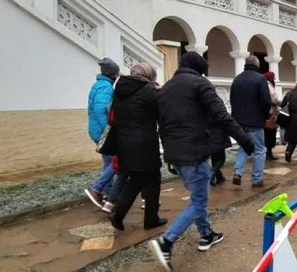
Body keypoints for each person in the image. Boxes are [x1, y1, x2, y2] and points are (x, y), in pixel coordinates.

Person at [149, 52, 254, 271]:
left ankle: (206, 234)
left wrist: (169, 155)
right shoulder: (200, 84)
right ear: (199, 66)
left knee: (199, 196)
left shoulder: (166, 88)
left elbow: (163, 124)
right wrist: (245, 140)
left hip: (177, 154)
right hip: (194, 153)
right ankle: (166, 241)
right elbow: (222, 116)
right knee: (198, 201)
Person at [108, 62, 167, 231]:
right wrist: (159, 90)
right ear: (149, 76)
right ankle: (151, 219)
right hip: (144, 144)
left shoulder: (119, 90)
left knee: (134, 180)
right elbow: (160, 109)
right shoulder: (148, 91)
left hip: (124, 143)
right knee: (153, 181)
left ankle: (118, 215)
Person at [230, 56, 272, 187]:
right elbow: (266, 101)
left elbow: (232, 100)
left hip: (239, 121)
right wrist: (265, 116)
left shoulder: (237, 79)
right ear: (257, 65)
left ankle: (238, 172)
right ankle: (257, 179)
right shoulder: (260, 79)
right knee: (259, 149)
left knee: (244, 146)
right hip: (255, 121)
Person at [85, 58, 119, 209]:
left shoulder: (98, 85)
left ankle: (107, 194)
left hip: (96, 129)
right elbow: (100, 110)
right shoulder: (106, 87)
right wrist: (109, 130)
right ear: (112, 73)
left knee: (108, 161)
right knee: (115, 161)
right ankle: (97, 188)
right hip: (101, 131)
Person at [263, 71, 281, 161]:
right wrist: (280, 103)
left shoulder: (263, 84)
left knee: (266, 132)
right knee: (270, 132)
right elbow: (274, 98)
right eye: (273, 77)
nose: (274, 79)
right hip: (270, 112)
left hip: (265, 112)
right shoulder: (269, 86)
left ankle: (267, 152)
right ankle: (269, 153)